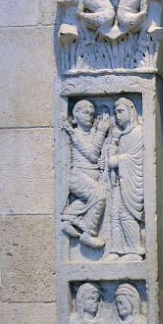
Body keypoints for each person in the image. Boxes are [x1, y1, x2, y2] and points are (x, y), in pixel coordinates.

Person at [60, 100, 111, 248]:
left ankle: (68, 218)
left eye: (91, 114)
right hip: (76, 178)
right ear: (76, 115)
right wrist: (102, 132)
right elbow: (92, 155)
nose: (89, 116)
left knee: (89, 199)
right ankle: (89, 233)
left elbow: (98, 157)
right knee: (100, 195)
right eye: (85, 113)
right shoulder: (75, 133)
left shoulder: (92, 133)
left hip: (90, 177)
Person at [103, 97, 145, 260]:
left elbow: (137, 159)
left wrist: (119, 160)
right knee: (114, 213)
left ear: (131, 111)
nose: (117, 116)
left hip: (131, 183)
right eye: (115, 112)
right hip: (119, 182)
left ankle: (135, 250)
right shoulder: (121, 135)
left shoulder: (138, 133)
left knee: (126, 215)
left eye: (120, 111)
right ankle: (117, 249)